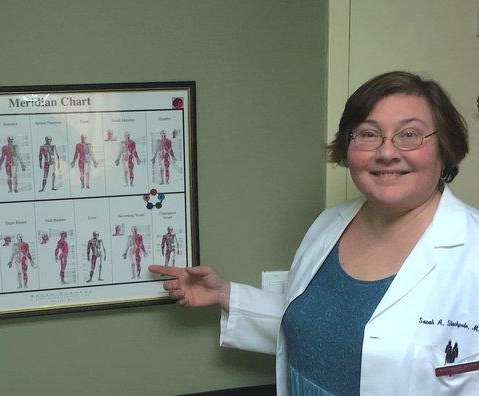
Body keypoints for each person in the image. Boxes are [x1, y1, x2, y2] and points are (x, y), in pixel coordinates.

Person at [150, 71, 479, 394]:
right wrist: (225, 295)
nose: (387, 152)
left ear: (445, 147)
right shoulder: (330, 224)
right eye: (367, 134)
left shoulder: (471, 250)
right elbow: (320, 326)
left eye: (409, 134)